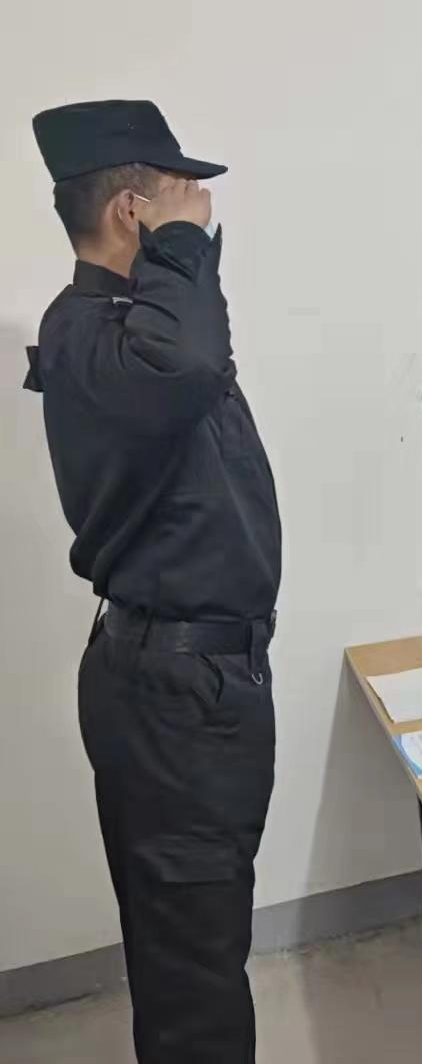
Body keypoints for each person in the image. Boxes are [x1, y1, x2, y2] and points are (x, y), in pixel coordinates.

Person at [24, 100, 281, 1061]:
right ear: (131, 210)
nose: (200, 214)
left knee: (195, 948)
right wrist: (180, 248)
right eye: (179, 197)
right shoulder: (95, 332)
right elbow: (191, 362)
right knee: (194, 981)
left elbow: (195, 360)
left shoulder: (133, 330)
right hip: (175, 696)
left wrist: (177, 258)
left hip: (191, 683)